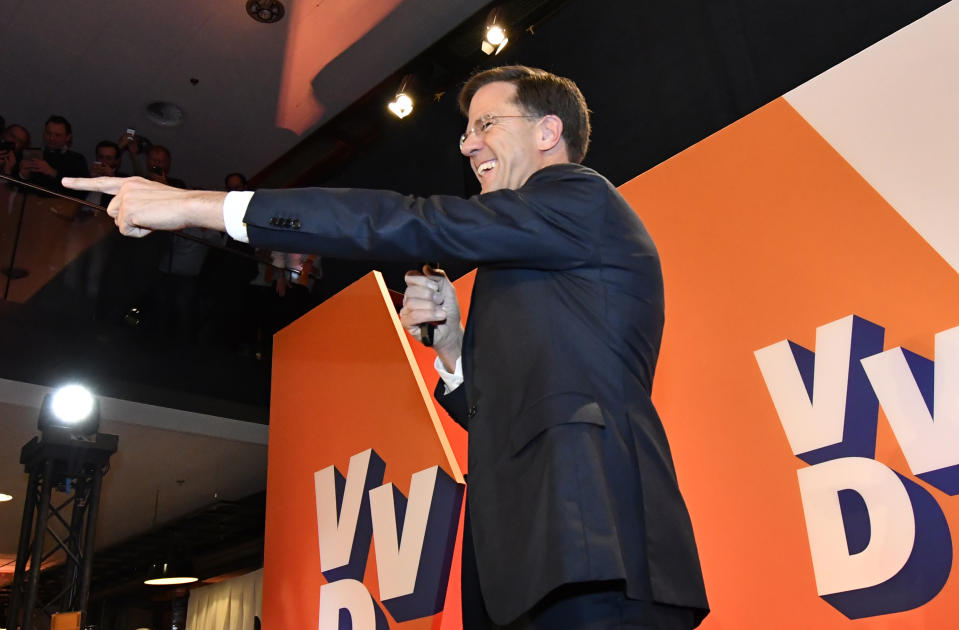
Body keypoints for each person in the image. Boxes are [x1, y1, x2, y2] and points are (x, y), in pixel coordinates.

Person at [64, 65, 708, 629]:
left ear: (547, 132)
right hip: (530, 565)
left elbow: (406, 219)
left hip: (597, 549)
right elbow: (510, 409)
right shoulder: (531, 249)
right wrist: (454, 353)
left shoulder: (577, 196)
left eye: (487, 123)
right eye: (464, 130)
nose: (467, 143)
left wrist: (197, 207)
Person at [19, 115, 88, 193]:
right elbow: (17, 189)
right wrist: (23, 176)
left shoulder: (76, 159)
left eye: (57, 135)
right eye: (48, 133)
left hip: (62, 204)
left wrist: (53, 173)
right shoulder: (32, 154)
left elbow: (82, 192)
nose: (51, 138)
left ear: (68, 137)